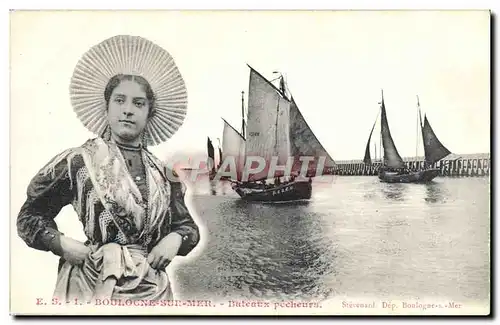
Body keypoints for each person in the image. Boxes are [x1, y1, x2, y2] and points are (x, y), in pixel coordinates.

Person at [16, 35, 200, 303]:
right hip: (93, 280)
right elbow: (30, 216)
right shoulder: (79, 161)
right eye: (119, 100)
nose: (128, 110)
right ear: (107, 106)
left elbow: (187, 227)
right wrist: (61, 244)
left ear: (150, 112)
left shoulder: (163, 173)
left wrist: (175, 239)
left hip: (152, 287)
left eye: (138, 103)